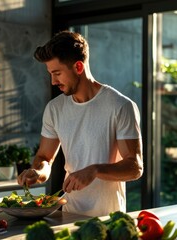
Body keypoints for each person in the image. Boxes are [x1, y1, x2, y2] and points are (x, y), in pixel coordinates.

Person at [17, 30, 143, 217]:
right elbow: (44, 156)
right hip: (69, 214)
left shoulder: (121, 106)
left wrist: (94, 170)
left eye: (57, 73)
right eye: (50, 74)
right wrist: (37, 171)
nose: (53, 81)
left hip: (109, 218)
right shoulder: (54, 109)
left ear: (78, 67)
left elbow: (134, 167)